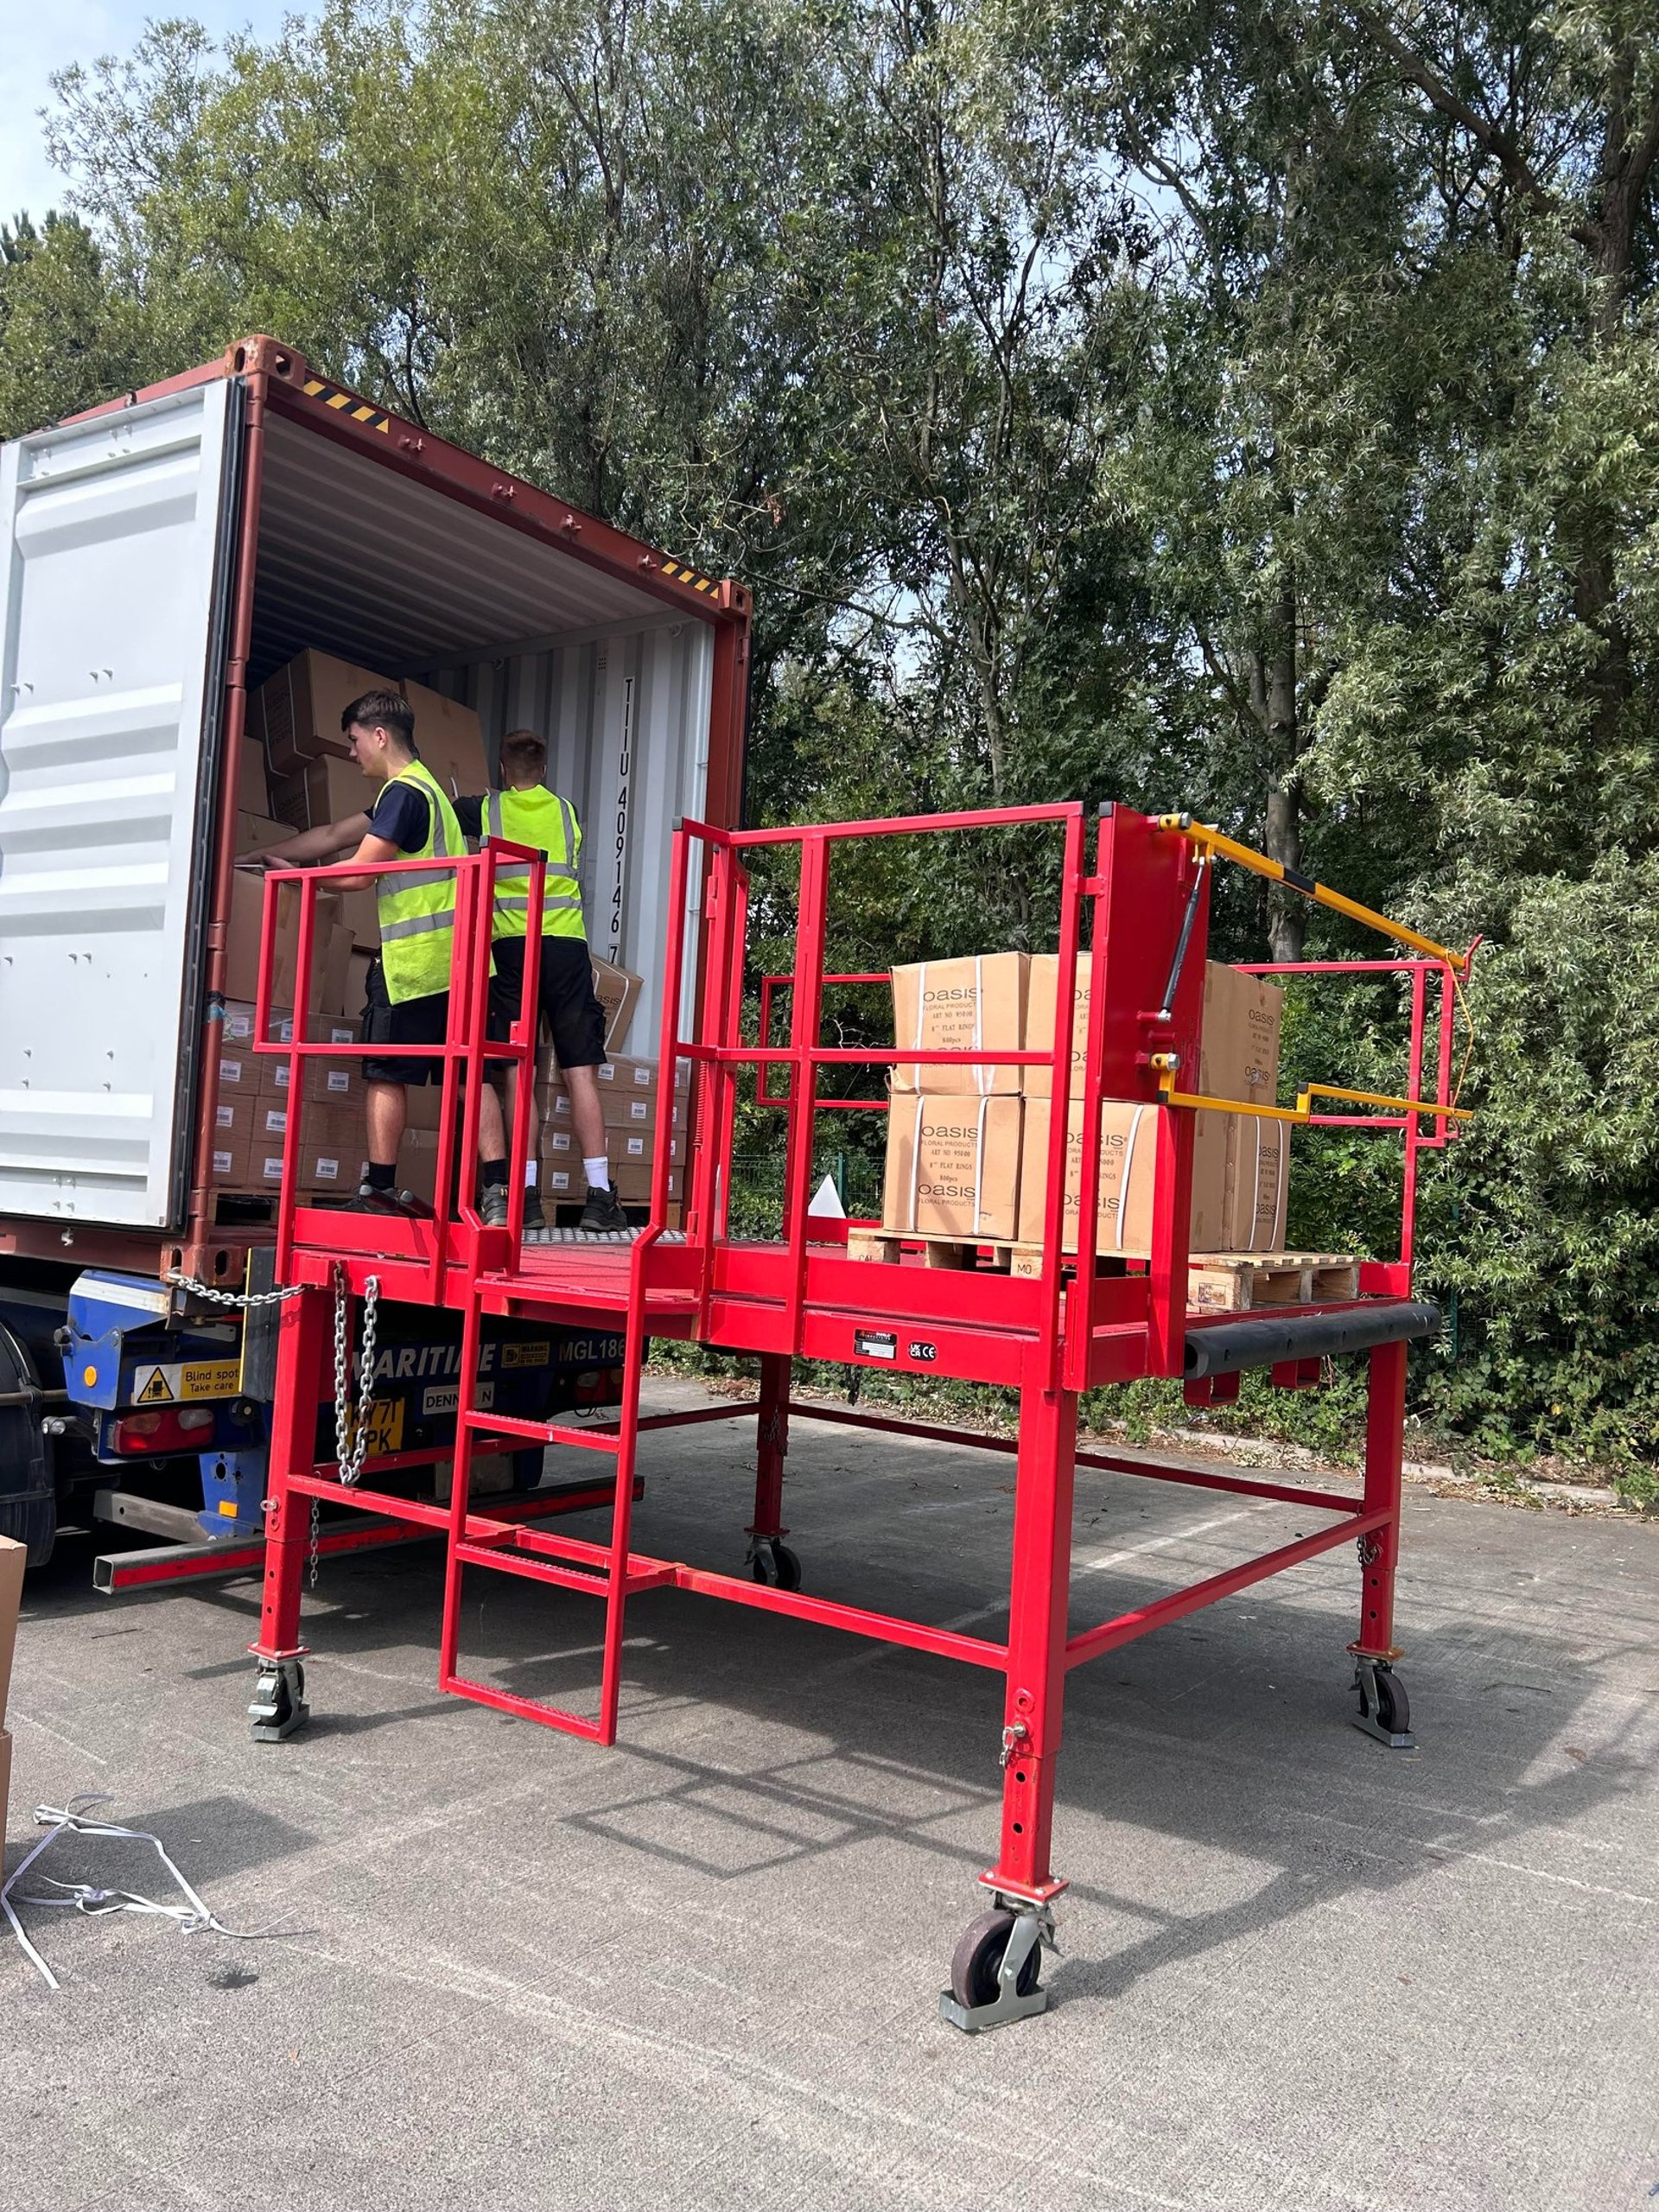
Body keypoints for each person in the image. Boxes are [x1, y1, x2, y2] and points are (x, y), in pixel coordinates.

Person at [251, 690, 514, 1224]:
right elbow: (329, 836)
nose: (351, 753)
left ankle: (380, 1188)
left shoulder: (403, 795)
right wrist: (256, 853)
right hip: (463, 962)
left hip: (415, 965)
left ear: (379, 735)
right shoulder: (428, 792)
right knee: (472, 1075)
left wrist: (292, 878)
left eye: (352, 740)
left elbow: (356, 871)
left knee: (385, 1073)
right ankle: (498, 1191)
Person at [454, 730, 627, 1235]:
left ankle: (525, 1197)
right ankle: (599, 1195)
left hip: (513, 952)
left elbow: (442, 813)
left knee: (518, 1072)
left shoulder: (487, 810)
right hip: (567, 950)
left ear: (503, 771)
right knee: (580, 1071)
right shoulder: (567, 813)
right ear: (545, 770)